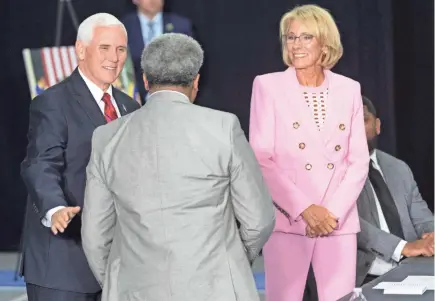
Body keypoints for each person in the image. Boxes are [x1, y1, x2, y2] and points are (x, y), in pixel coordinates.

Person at [81, 33, 275, 301]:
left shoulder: (107, 138)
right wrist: (231, 262)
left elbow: (94, 236)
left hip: (134, 289)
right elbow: (259, 220)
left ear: (146, 81)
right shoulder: (223, 128)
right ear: (196, 81)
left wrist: (121, 280)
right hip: (214, 287)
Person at [249, 4, 370, 301]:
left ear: (325, 43)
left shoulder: (349, 88)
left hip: (336, 222)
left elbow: (358, 161)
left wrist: (331, 214)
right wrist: (306, 209)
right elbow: (261, 158)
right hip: (289, 219)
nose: (296, 45)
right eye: (291, 38)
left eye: (306, 38)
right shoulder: (267, 86)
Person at [20, 13, 140, 301]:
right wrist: (55, 209)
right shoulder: (52, 102)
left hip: (118, 266)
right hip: (64, 264)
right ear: (81, 49)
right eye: (105, 48)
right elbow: (40, 164)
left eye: (121, 49)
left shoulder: (131, 107)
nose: (114, 57)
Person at [356, 96, 434, 286]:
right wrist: (403, 247)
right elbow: (352, 226)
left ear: (377, 125)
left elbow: (422, 218)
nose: (356, 128)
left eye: (363, 120)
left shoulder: (399, 168)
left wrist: (431, 235)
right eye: (348, 121)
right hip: (365, 277)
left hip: (413, 270)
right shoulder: (330, 173)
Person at [122, 0, 193, 103]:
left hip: (172, 101)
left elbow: (189, 66)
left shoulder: (181, 26)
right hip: (133, 101)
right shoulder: (123, 27)